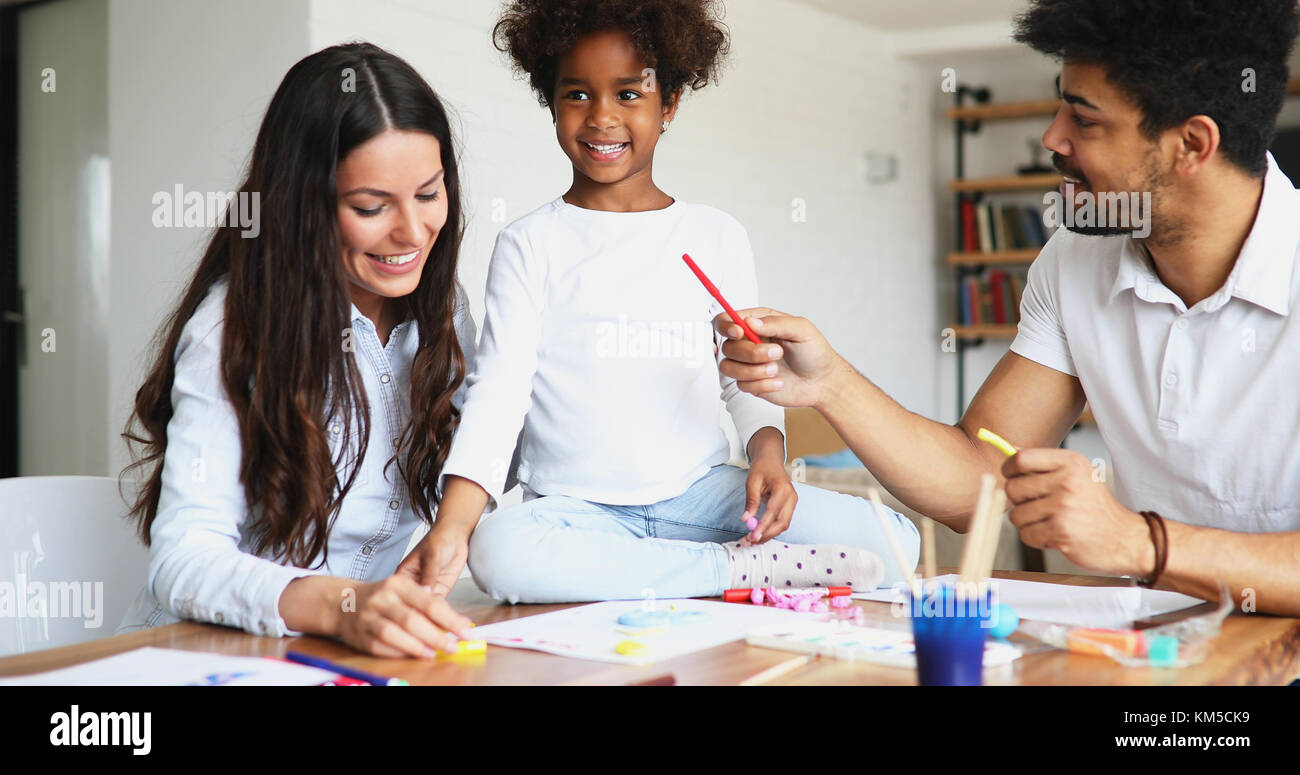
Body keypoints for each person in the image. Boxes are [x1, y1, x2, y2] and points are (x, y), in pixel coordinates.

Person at [715, 0, 1300, 616]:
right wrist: (830, 384)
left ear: (1192, 144)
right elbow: (978, 483)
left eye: (1085, 119)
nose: (1053, 137)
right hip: (1155, 645)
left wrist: (1138, 541)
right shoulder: (1074, 261)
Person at [404, 0, 919, 604]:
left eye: (628, 95)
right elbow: (501, 391)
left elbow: (745, 373)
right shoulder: (528, 242)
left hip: (699, 495)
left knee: (895, 541)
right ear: (550, 101)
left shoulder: (715, 235)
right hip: (575, 509)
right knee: (499, 554)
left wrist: (770, 458)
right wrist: (453, 526)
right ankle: (729, 572)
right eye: (576, 95)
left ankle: (653, 568)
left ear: (668, 103)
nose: (601, 118)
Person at [118, 43, 483, 657]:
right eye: (370, 207)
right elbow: (182, 560)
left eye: (428, 194)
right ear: (303, 205)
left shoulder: (443, 310)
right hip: (221, 654)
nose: (412, 233)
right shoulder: (233, 329)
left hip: (357, 654)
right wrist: (342, 605)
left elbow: (495, 445)